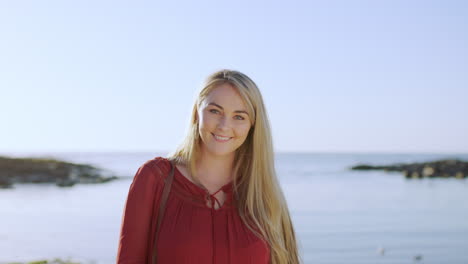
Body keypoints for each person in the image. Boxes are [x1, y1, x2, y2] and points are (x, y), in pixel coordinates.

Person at [116, 69, 300, 264]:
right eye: (214, 111)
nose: (224, 125)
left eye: (239, 116)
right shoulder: (155, 179)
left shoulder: (264, 193)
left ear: (252, 125)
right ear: (197, 113)